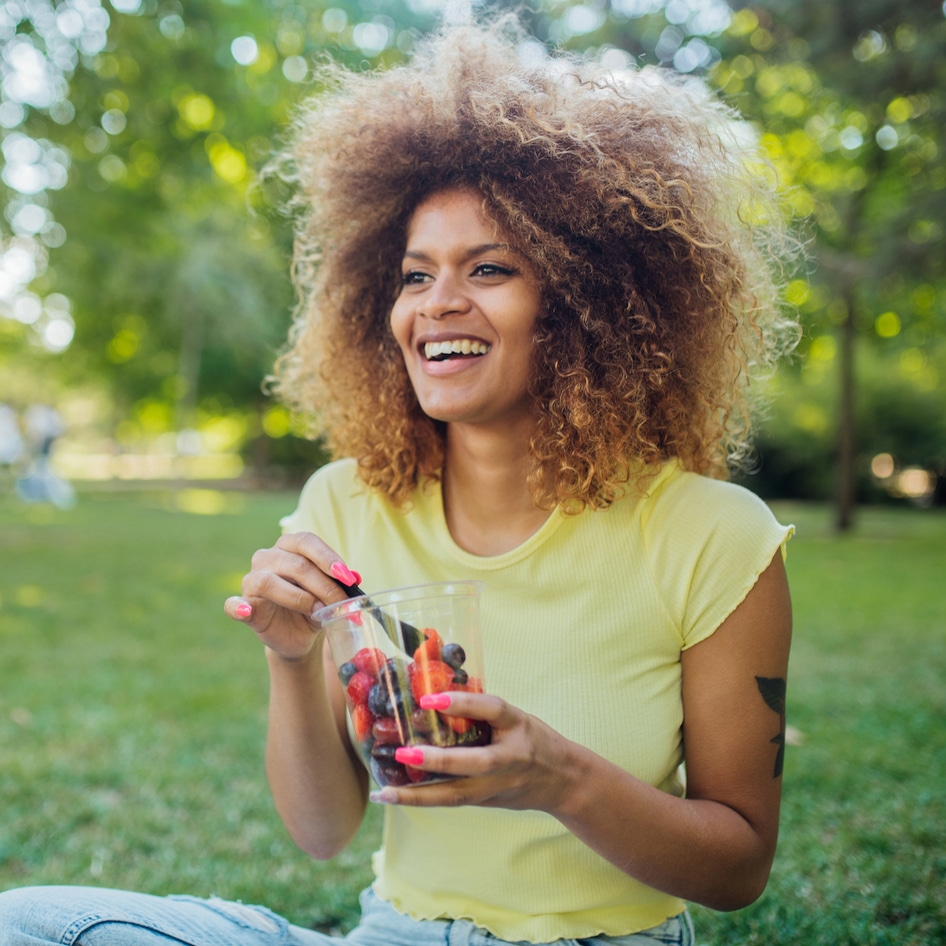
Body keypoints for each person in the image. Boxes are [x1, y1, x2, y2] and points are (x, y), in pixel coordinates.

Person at [0, 15, 799, 946]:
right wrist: (291, 657)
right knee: (28, 924)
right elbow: (322, 829)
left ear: (589, 303)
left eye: (490, 268)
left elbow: (738, 866)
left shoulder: (713, 535)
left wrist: (558, 778)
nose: (437, 304)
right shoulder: (345, 505)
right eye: (415, 275)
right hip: (394, 933)